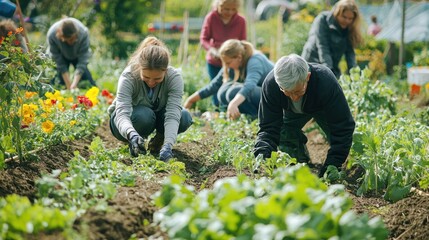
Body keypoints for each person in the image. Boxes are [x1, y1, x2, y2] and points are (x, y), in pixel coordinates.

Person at [254, 54, 355, 177]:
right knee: (284, 134)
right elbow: (268, 127)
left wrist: (332, 166)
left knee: (337, 138)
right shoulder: (271, 84)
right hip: (291, 111)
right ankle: (301, 159)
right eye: (287, 92)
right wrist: (262, 155)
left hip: (321, 107)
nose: (294, 98)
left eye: (298, 91)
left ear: (308, 77)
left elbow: (343, 127)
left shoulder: (325, 82)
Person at [108, 36, 193, 161]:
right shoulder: (129, 76)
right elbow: (122, 114)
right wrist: (131, 134)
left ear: (165, 71)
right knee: (144, 115)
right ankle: (136, 141)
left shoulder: (174, 78)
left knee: (183, 116)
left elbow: (173, 114)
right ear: (140, 68)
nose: (151, 82)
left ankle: (160, 140)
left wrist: (168, 145)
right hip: (124, 122)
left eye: (157, 79)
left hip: (156, 117)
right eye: (146, 77)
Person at [184, 39, 273, 120]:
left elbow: (250, 85)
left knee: (234, 92)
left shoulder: (255, 60)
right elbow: (214, 85)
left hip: (274, 97)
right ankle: (248, 117)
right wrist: (190, 100)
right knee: (223, 91)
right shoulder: (235, 64)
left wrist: (233, 103)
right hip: (261, 96)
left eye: (228, 63)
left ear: (239, 57)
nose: (226, 66)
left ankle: (258, 118)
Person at [200, 0, 247, 107]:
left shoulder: (241, 21)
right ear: (218, 5)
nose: (230, 12)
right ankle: (218, 113)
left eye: (233, 9)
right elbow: (204, 39)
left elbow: (243, 42)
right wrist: (212, 50)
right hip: (215, 62)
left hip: (233, 64)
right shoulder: (211, 17)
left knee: (230, 89)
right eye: (226, 9)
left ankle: (229, 112)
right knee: (216, 89)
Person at [301, 0, 363, 78]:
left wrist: (355, 74)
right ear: (337, 13)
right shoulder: (323, 20)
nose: (347, 21)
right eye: (344, 17)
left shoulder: (349, 29)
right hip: (312, 61)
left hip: (331, 65)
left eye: (350, 18)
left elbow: (350, 53)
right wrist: (328, 72)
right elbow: (323, 47)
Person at [47, 17, 96, 90]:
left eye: (73, 39)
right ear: (62, 37)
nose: (71, 42)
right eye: (69, 40)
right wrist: (68, 84)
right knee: (56, 85)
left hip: (77, 56)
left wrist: (74, 84)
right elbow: (59, 61)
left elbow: (83, 59)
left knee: (89, 84)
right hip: (61, 56)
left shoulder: (83, 33)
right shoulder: (52, 35)